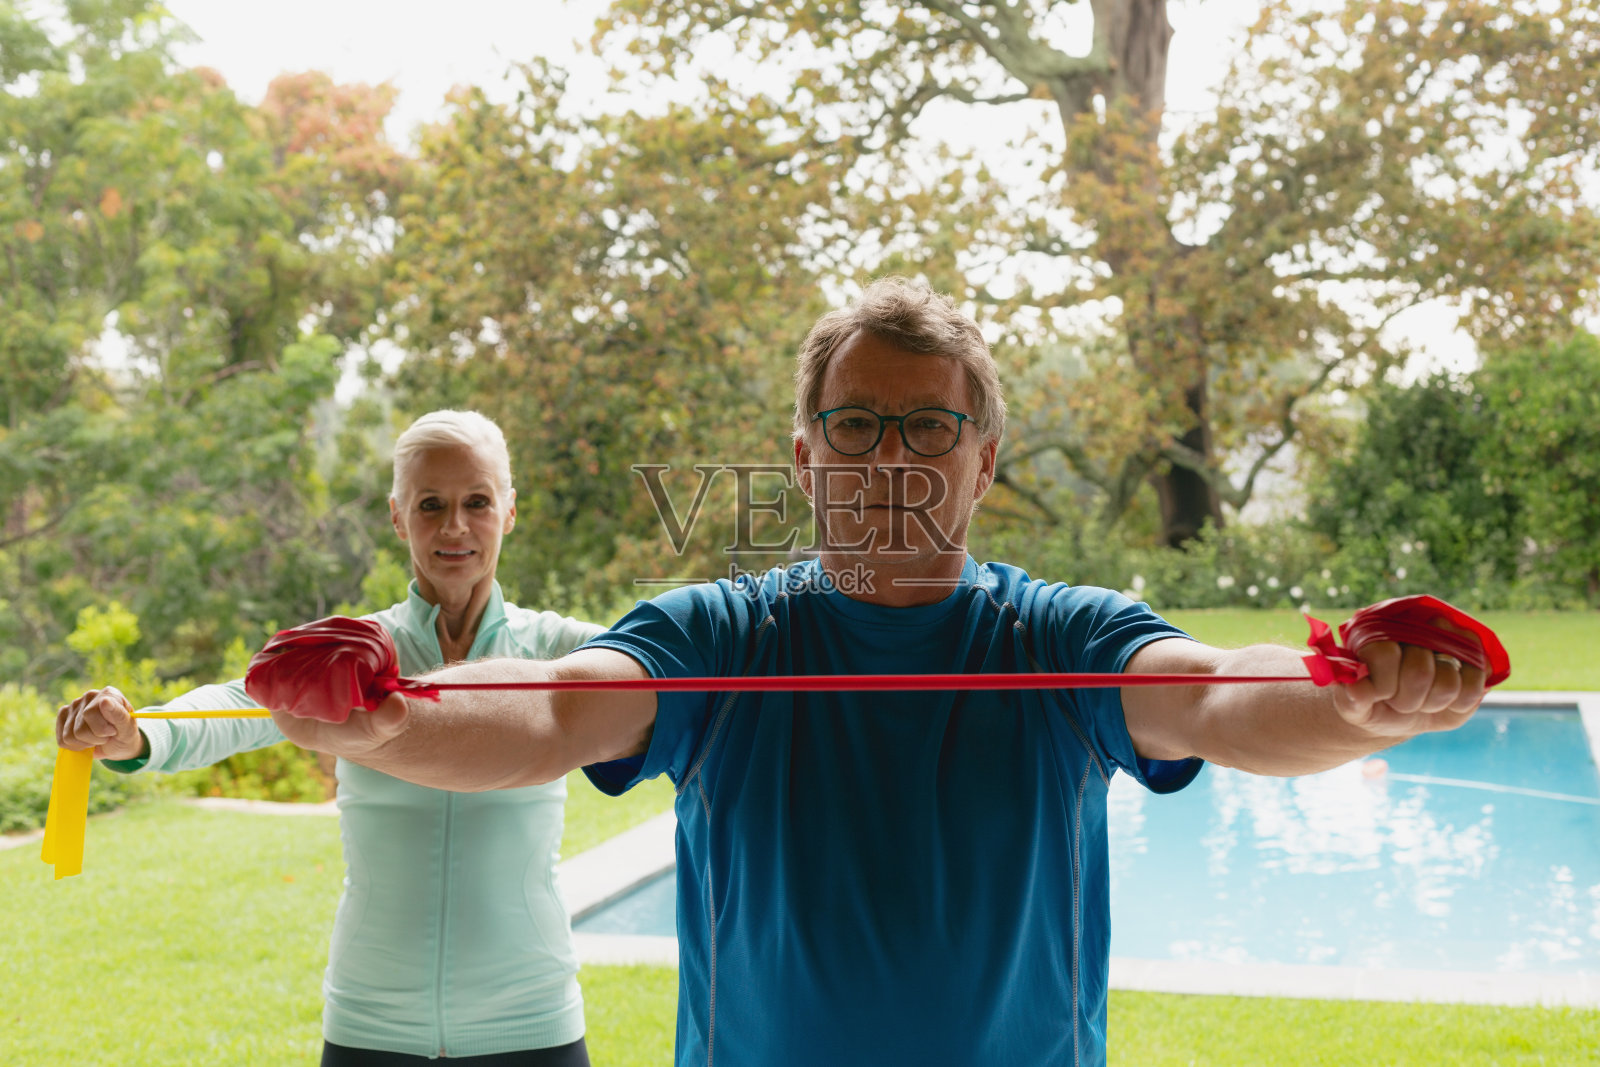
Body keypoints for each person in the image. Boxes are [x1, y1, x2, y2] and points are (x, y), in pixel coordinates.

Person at [258, 280, 1490, 1067]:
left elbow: (1217, 691)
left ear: (983, 459)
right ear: (804, 458)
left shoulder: (1061, 634)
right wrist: (386, 716)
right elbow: (547, 714)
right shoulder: (718, 634)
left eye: (928, 426)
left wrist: (1350, 695)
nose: (888, 459)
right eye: (855, 425)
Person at [55, 410, 603, 1067]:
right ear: (397, 516)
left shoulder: (561, 650)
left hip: (533, 1021)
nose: (455, 526)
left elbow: (661, 669)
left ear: (510, 510)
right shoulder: (355, 651)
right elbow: (241, 699)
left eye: (477, 502)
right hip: (372, 1022)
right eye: (430, 504)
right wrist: (139, 732)